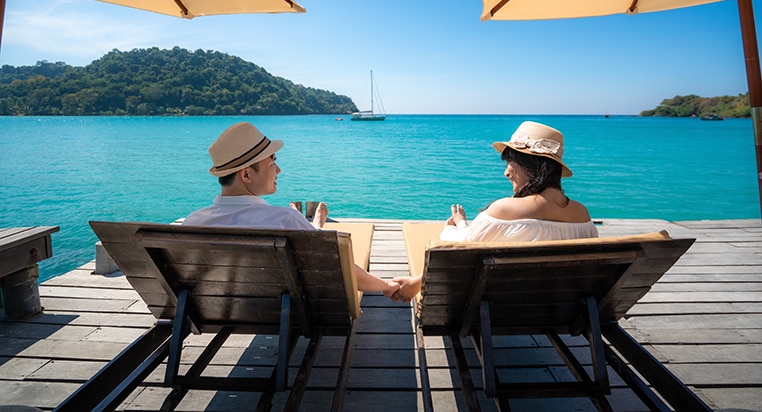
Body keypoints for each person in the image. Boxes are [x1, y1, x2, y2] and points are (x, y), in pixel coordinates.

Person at [183, 121, 400, 298]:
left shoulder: (192, 224)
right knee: (309, 235)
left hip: (221, 309)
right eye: (272, 163)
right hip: (281, 310)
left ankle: (314, 227)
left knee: (306, 230)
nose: (278, 169)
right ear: (247, 175)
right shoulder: (283, 220)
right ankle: (314, 229)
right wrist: (386, 286)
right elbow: (340, 268)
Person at [392, 120, 597, 302]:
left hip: (495, 306)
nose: (506, 172)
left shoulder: (504, 210)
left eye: (511, 162)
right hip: (556, 306)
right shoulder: (582, 216)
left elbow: (456, 254)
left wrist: (458, 225)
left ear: (531, 165)